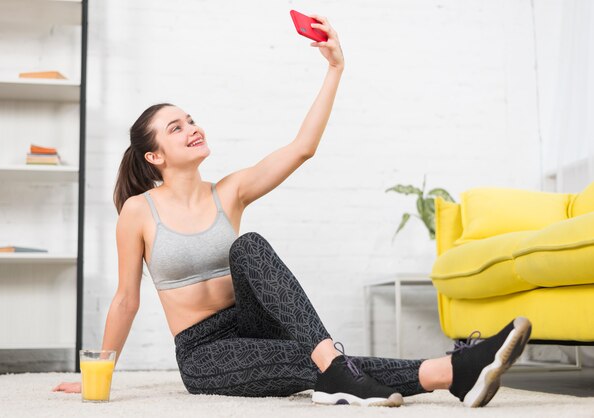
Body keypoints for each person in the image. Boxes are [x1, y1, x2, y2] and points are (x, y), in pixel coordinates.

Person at [52, 14, 532, 407]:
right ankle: (455, 371)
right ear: (154, 156)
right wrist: (100, 371)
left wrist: (334, 69)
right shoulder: (138, 211)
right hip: (204, 352)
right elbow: (126, 300)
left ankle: (347, 369)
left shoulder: (231, 191)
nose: (192, 128)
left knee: (249, 247)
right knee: (317, 363)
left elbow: (302, 147)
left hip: (254, 324)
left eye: (192, 119)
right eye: (176, 128)